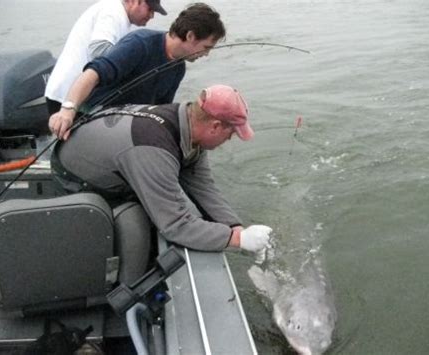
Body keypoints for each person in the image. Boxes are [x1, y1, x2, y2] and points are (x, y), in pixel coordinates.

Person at [52, 85, 272, 261]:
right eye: (231, 133)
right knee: (136, 227)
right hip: (76, 175)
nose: (229, 140)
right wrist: (236, 240)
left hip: (119, 156)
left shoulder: (188, 126)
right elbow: (176, 226)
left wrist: (235, 227)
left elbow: (203, 187)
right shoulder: (153, 146)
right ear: (214, 126)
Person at [49, 3, 226, 141]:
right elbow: (92, 74)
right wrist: (67, 110)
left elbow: (159, 111)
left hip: (126, 128)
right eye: (206, 47)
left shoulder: (178, 68)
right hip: (92, 119)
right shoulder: (140, 43)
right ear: (190, 36)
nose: (206, 54)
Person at [45, 0, 167, 115]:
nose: (152, 15)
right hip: (68, 97)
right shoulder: (113, 13)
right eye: (150, 9)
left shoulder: (120, 17)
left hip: (77, 96)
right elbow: (98, 50)